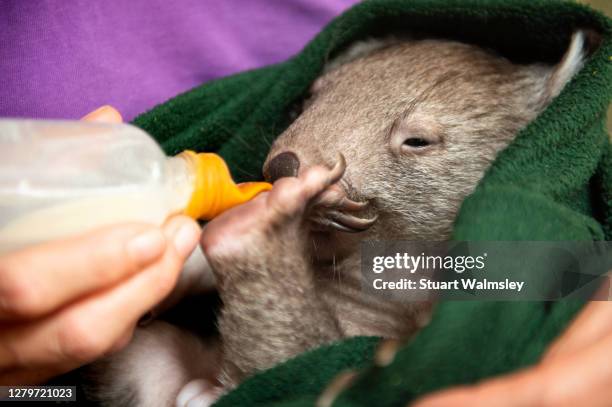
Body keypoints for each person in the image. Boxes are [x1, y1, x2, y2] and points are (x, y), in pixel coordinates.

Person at [1, 2, 611, 405]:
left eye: (417, 143)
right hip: (159, 359)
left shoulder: (459, 257)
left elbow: (557, 271)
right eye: (314, 101)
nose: (298, 151)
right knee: (147, 353)